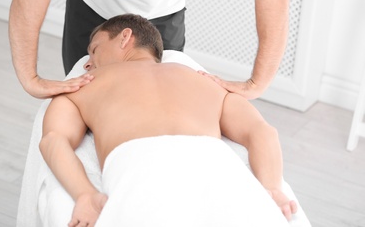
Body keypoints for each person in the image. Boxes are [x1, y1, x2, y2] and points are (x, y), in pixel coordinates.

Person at [39, 14, 297, 226]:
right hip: (216, 168)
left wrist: (85, 195)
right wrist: (271, 188)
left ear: (125, 37)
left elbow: (53, 141)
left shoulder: (83, 87)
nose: (88, 64)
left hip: (140, 169)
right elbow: (262, 132)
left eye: (93, 51)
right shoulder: (206, 82)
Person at [9, 0, 290, 99]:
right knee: (83, 105)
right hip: (92, 11)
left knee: (156, 109)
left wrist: (257, 84)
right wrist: (29, 78)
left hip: (162, 19)